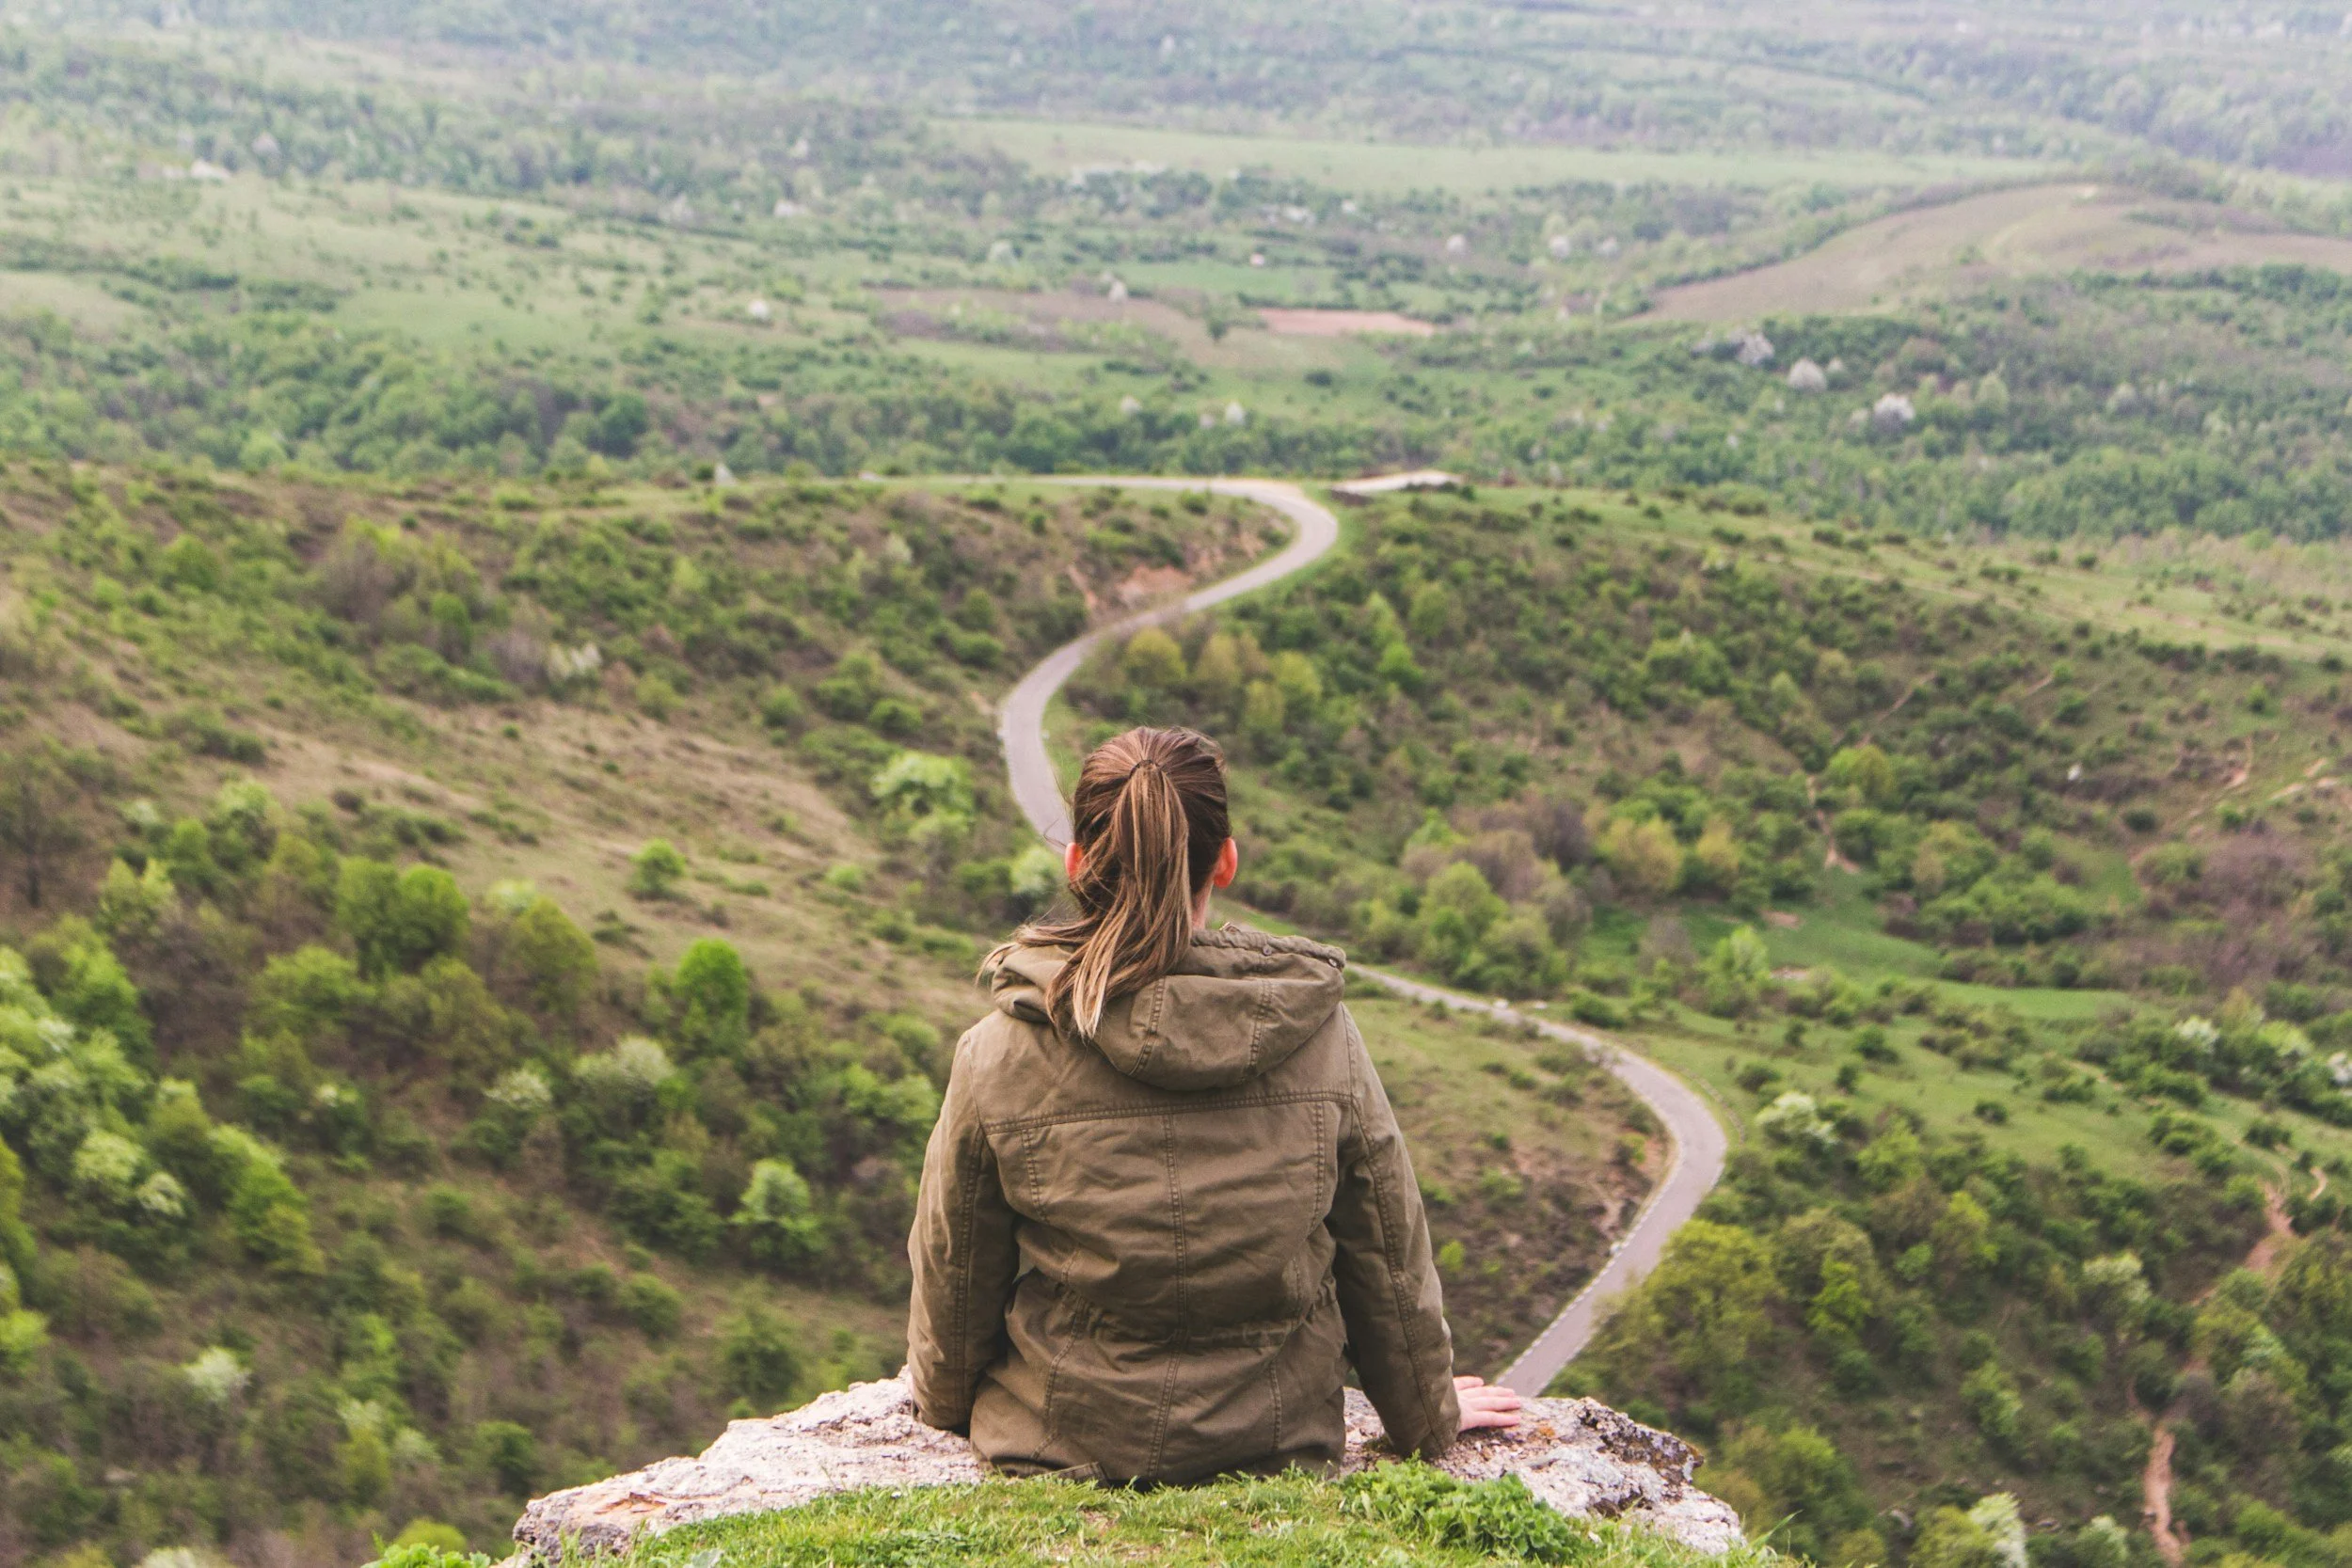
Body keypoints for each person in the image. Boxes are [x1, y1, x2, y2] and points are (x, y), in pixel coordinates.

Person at [907, 724, 1520, 1482]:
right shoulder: (1319, 1035)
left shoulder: (997, 1051)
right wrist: (1428, 1416)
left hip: (1057, 1442)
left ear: (1076, 864)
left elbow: (956, 1269)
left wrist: (941, 1405)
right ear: (1225, 859)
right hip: (1275, 1443)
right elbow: (1385, 1255)